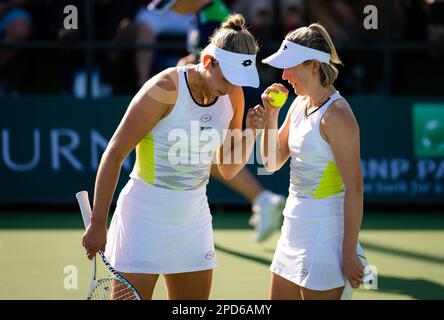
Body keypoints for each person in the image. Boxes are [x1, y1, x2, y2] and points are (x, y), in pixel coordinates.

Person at [82, 14, 268, 300]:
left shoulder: (234, 96)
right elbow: (115, 153)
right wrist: (98, 222)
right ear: (208, 61)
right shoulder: (164, 89)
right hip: (143, 218)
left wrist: (252, 134)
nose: (232, 86)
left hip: (194, 220)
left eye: (238, 80)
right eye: (227, 78)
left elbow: (228, 168)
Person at [148, 0, 286, 242]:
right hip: (226, 96)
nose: (170, 9)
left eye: (172, 4)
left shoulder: (211, 18)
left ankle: (263, 199)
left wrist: (186, 67)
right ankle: (262, 199)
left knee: (212, 158)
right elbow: (201, 61)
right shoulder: (201, 16)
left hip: (232, 99)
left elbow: (212, 66)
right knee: (210, 158)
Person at [259, 23, 371, 300]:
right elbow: (271, 163)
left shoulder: (338, 115)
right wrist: (272, 115)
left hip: (325, 236)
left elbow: (355, 189)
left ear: (313, 66)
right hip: (293, 228)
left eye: (290, 67)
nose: (284, 76)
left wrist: (348, 252)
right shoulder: (299, 104)